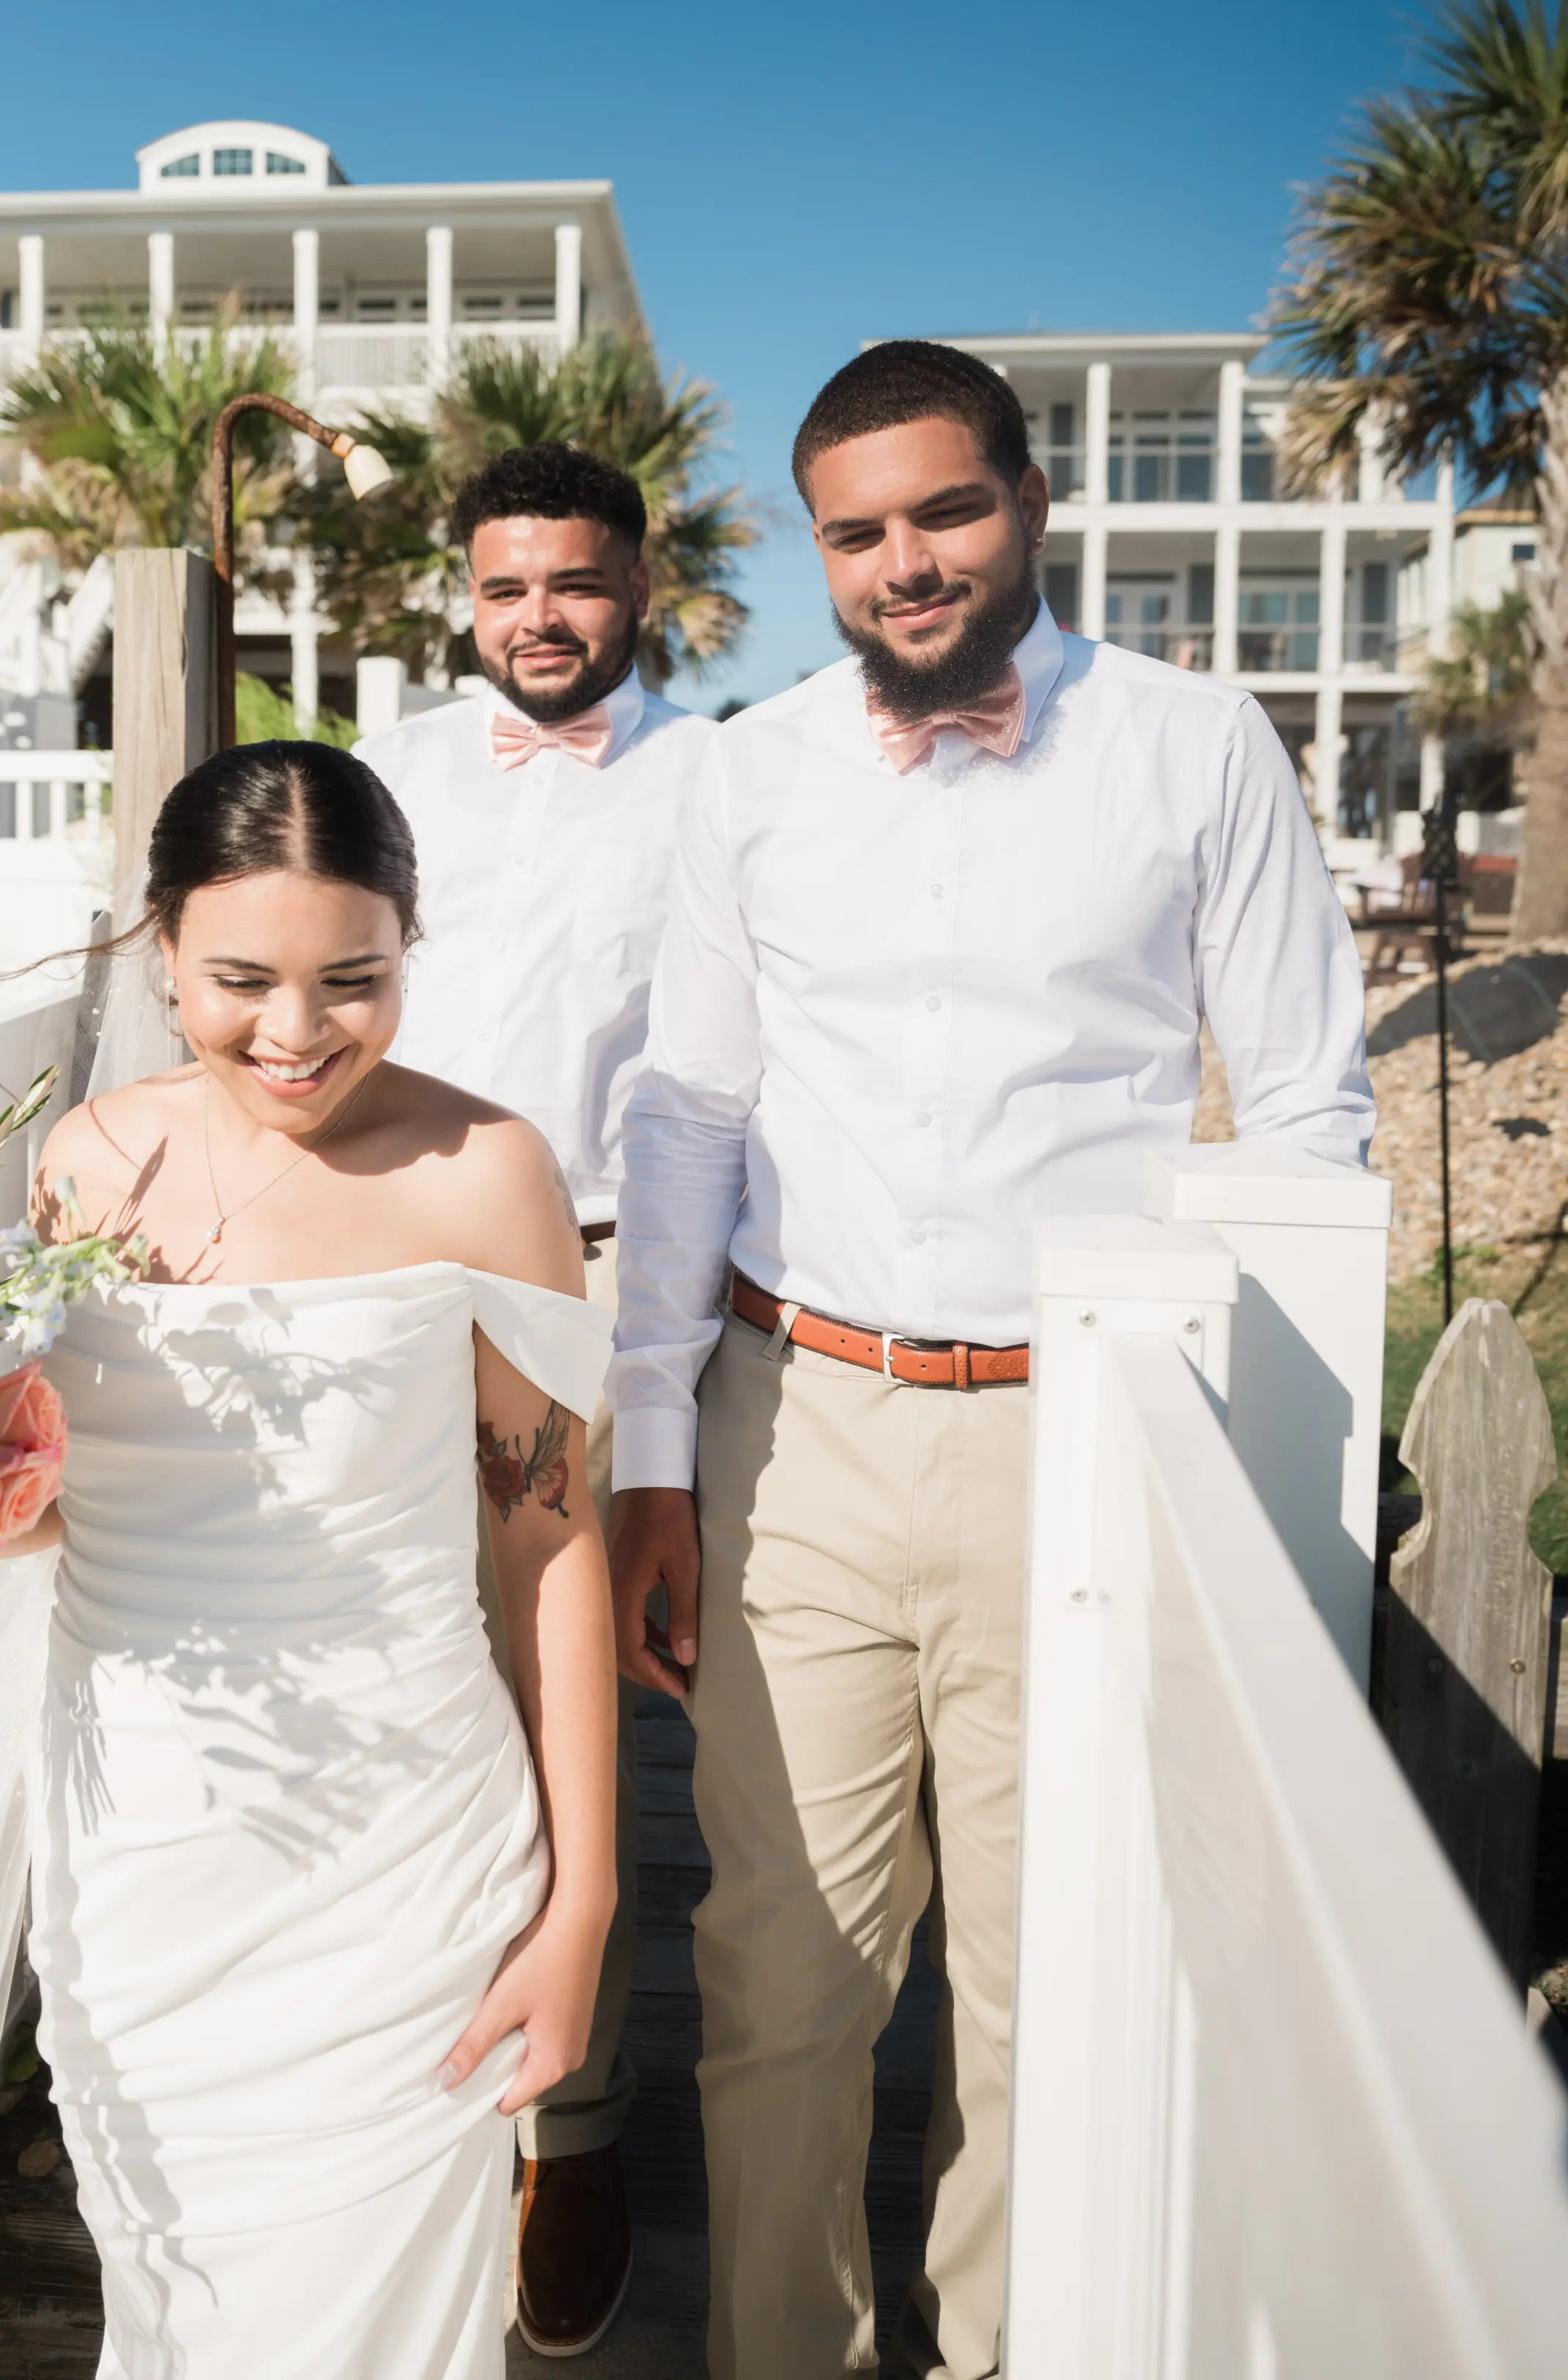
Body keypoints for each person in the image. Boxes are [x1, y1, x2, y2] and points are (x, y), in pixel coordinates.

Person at [606, 341, 1373, 2380]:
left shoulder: (1202, 749)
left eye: (943, 511)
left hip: (1088, 1427)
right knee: (782, 1970)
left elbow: (1306, 1116)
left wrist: (1272, 1466)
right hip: (803, 1427)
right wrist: (652, 1451)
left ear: (1030, 500)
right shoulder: (744, 776)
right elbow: (688, 1115)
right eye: (856, 532)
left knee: (1051, 1984)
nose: (905, 564)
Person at [0, 739, 620, 2380]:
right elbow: (41, 1503)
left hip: (403, 1861)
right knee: (180, 2310)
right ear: (159, 950)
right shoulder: (84, 1166)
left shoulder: (488, 1175)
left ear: (410, 942)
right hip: (138, 1852)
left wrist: (583, 1908)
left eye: (354, 978)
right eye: (240, 982)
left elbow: (546, 1533)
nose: (296, 1034)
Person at [357, 439, 712, 2355]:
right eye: (505, 588)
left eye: (572, 584)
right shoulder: (391, 777)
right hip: (396, 1284)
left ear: (637, 588)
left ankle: (579, 2127)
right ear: (466, 596)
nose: (539, 619)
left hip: (603, 1292)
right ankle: (419, 2091)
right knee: (418, 1698)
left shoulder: (719, 787)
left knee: (592, 1713)